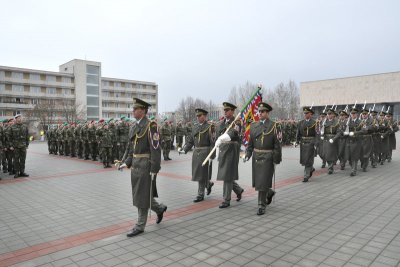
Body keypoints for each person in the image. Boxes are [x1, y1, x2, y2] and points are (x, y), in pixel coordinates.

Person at [118, 98, 167, 237]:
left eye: (135, 109)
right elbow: (130, 148)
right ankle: (160, 208)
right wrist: (126, 162)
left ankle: (140, 225)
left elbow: (156, 149)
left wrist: (154, 168)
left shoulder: (151, 126)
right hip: (135, 165)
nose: (133, 111)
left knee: (141, 194)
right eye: (133, 109)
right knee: (142, 194)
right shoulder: (133, 127)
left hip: (146, 165)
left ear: (143, 111)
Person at [244, 102, 282, 215]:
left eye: (263, 111)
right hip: (256, 156)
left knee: (262, 181)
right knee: (260, 182)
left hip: (268, 157)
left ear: (267, 113)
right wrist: (247, 154)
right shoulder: (254, 126)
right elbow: (250, 144)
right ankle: (268, 192)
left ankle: (261, 205)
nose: (260, 113)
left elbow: (277, 145)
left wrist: (276, 159)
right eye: (259, 111)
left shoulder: (275, 126)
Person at [178, 108, 215, 202]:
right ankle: (208, 184)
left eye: (200, 116)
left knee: (202, 174)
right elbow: (190, 141)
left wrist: (212, 155)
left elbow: (212, 143)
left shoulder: (210, 127)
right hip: (196, 153)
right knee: (199, 173)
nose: (198, 118)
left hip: (205, 152)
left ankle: (200, 194)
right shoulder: (195, 127)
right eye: (197, 116)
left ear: (205, 116)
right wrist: (184, 150)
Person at [215, 102, 244, 208]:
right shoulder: (221, 123)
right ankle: (238, 190)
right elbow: (217, 137)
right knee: (226, 175)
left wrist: (222, 138)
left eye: (227, 110)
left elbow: (233, 133)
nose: (225, 112)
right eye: (225, 110)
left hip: (232, 151)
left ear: (232, 111)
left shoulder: (237, 122)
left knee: (227, 175)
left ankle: (226, 200)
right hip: (223, 151)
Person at [296, 107, 317, 182]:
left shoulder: (314, 123)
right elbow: (298, 133)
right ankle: (311, 168)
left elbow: (316, 134)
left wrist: (315, 143)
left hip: (311, 142)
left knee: (308, 158)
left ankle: (306, 175)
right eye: (304, 113)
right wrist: (297, 141)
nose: (305, 115)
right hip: (303, 143)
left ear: (310, 114)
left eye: (307, 113)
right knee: (305, 159)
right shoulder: (301, 123)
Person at [7, 114, 29, 178]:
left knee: (23, 160)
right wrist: (10, 145)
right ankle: (16, 172)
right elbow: (9, 137)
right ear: (16, 119)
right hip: (15, 146)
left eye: (20, 118)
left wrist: (27, 144)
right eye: (18, 118)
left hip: (23, 146)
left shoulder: (25, 126)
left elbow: (27, 136)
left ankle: (22, 172)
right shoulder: (12, 127)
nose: (19, 119)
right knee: (16, 160)